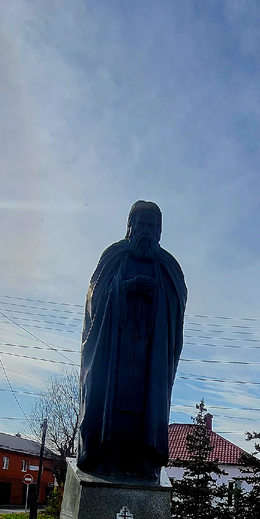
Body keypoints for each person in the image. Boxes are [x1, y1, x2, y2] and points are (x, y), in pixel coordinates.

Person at [77, 201, 186, 479]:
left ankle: (143, 461)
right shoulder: (114, 258)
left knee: (147, 407)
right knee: (108, 404)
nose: (146, 231)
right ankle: (105, 458)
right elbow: (95, 300)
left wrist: (157, 297)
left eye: (152, 226)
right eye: (141, 225)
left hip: (150, 354)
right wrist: (126, 289)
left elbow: (177, 306)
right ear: (130, 227)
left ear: (160, 231)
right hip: (113, 351)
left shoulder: (167, 267)